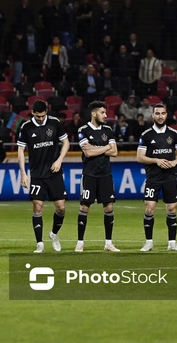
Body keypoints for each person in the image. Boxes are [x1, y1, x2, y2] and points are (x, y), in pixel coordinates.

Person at [18, 100, 70, 253]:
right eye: (38, 116)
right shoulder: (26, 127)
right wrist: (23, 173)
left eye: (43, 116)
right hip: (37, 174)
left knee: (61, 208)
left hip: (54, 172)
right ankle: (39, 243)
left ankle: (54, 234)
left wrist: (59, 160)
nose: (40, 118)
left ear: (46, 112)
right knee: (37, 207)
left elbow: (66, 143)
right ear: (32, 112)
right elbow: (21, 150)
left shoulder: (54, 123)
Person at [137, 103, 177, 252]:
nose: (160, 116)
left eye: (163, 113)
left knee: (172, 208)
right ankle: (149, 242)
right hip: (153, 178)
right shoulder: (146, 135)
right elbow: (139, 157)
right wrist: (156, 160)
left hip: (170, 177)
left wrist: (175, 162)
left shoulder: (174, 134)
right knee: (149, 209)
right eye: (157, 113)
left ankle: (172, 243)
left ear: (166, 115)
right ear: (153, 115)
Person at [75, 101, 119, 252]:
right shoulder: (83, 130)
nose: (105, 115)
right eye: (102, 112)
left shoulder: (108, 129)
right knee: (84, 206)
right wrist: (106, 146)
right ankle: (80, 242)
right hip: (89, 174)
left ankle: (108, 243)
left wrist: (96, 148)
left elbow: (115, 152)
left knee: (109, 207)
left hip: (105, 174)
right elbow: (88, 153)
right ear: (94, 113)